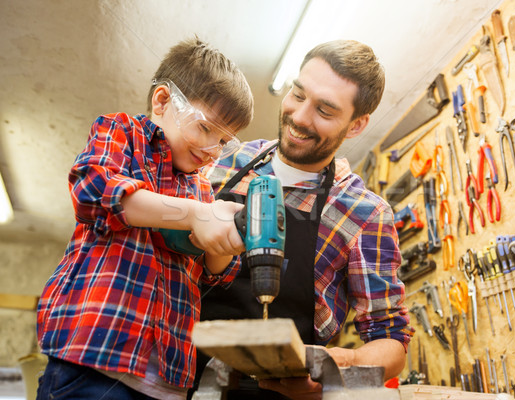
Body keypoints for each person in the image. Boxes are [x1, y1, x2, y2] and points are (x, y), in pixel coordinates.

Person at [36, 38, 253, 400]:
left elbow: (218, 272)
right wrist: (197, 214)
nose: (211, 149)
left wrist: (227, 235)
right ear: (163, 101)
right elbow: (96, 190)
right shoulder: (122, 133)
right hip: (95, 361)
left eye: (223, 141)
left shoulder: (201, 190)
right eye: (204, 128)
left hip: (167, 383)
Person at [195, 39, 414, 400]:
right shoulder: (223, 160)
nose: (299, 117)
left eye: (324, 111)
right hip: (176, 379)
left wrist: (339, 374)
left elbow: (391, 342)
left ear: (356, 125)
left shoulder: (365, 214)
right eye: (298, 94)